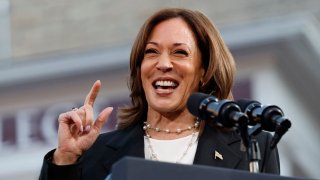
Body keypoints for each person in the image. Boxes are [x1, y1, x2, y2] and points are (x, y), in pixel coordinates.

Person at [39, 8, 280, 180]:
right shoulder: (96, 153)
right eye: (152, 52)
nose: (163, 64)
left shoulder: (252, 146)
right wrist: (66, 159)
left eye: (180, 53)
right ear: (139, 67)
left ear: (204, 71)